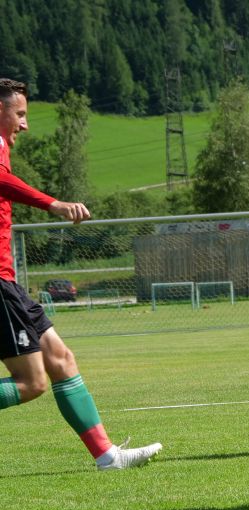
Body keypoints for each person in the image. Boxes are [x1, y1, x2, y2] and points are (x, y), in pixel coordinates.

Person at [0, 79, 160, 470]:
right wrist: (52, 203)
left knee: (61, 359)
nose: (25, 124)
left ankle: (108, 457)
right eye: (20, 114)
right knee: (32, 382)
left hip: (8, 282)